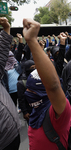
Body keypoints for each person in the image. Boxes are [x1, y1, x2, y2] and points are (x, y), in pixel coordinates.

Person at [22, 18, 71, 149]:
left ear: (44, 92)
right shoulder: (37, 110)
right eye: (28, 89)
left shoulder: (59, 113)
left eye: (32, 90)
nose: (27, 93)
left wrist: (32, 41)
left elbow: (54, 87)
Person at [0, 17, 21, 150]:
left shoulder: (16, 66)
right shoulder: (4, 73)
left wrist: (6, 29)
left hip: (11, 135)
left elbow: (2, 53)